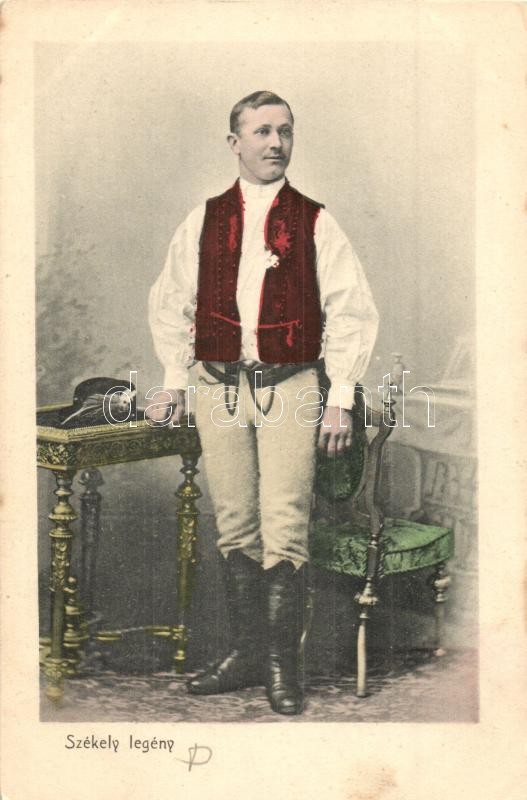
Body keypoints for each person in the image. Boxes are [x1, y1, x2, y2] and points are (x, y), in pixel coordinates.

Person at [147, 90, 379, 715]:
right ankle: (247, 655)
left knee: (284, 526)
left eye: (285, 131)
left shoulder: (315, 221)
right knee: (235, 524)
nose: (276, 143)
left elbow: (351, 312)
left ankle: (282, 667)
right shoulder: (203, 220)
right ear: (235, 143)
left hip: (291, 387)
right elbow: (172, 301)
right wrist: (173, 381)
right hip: (217, 386)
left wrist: (340, 398)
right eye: (262, 132)